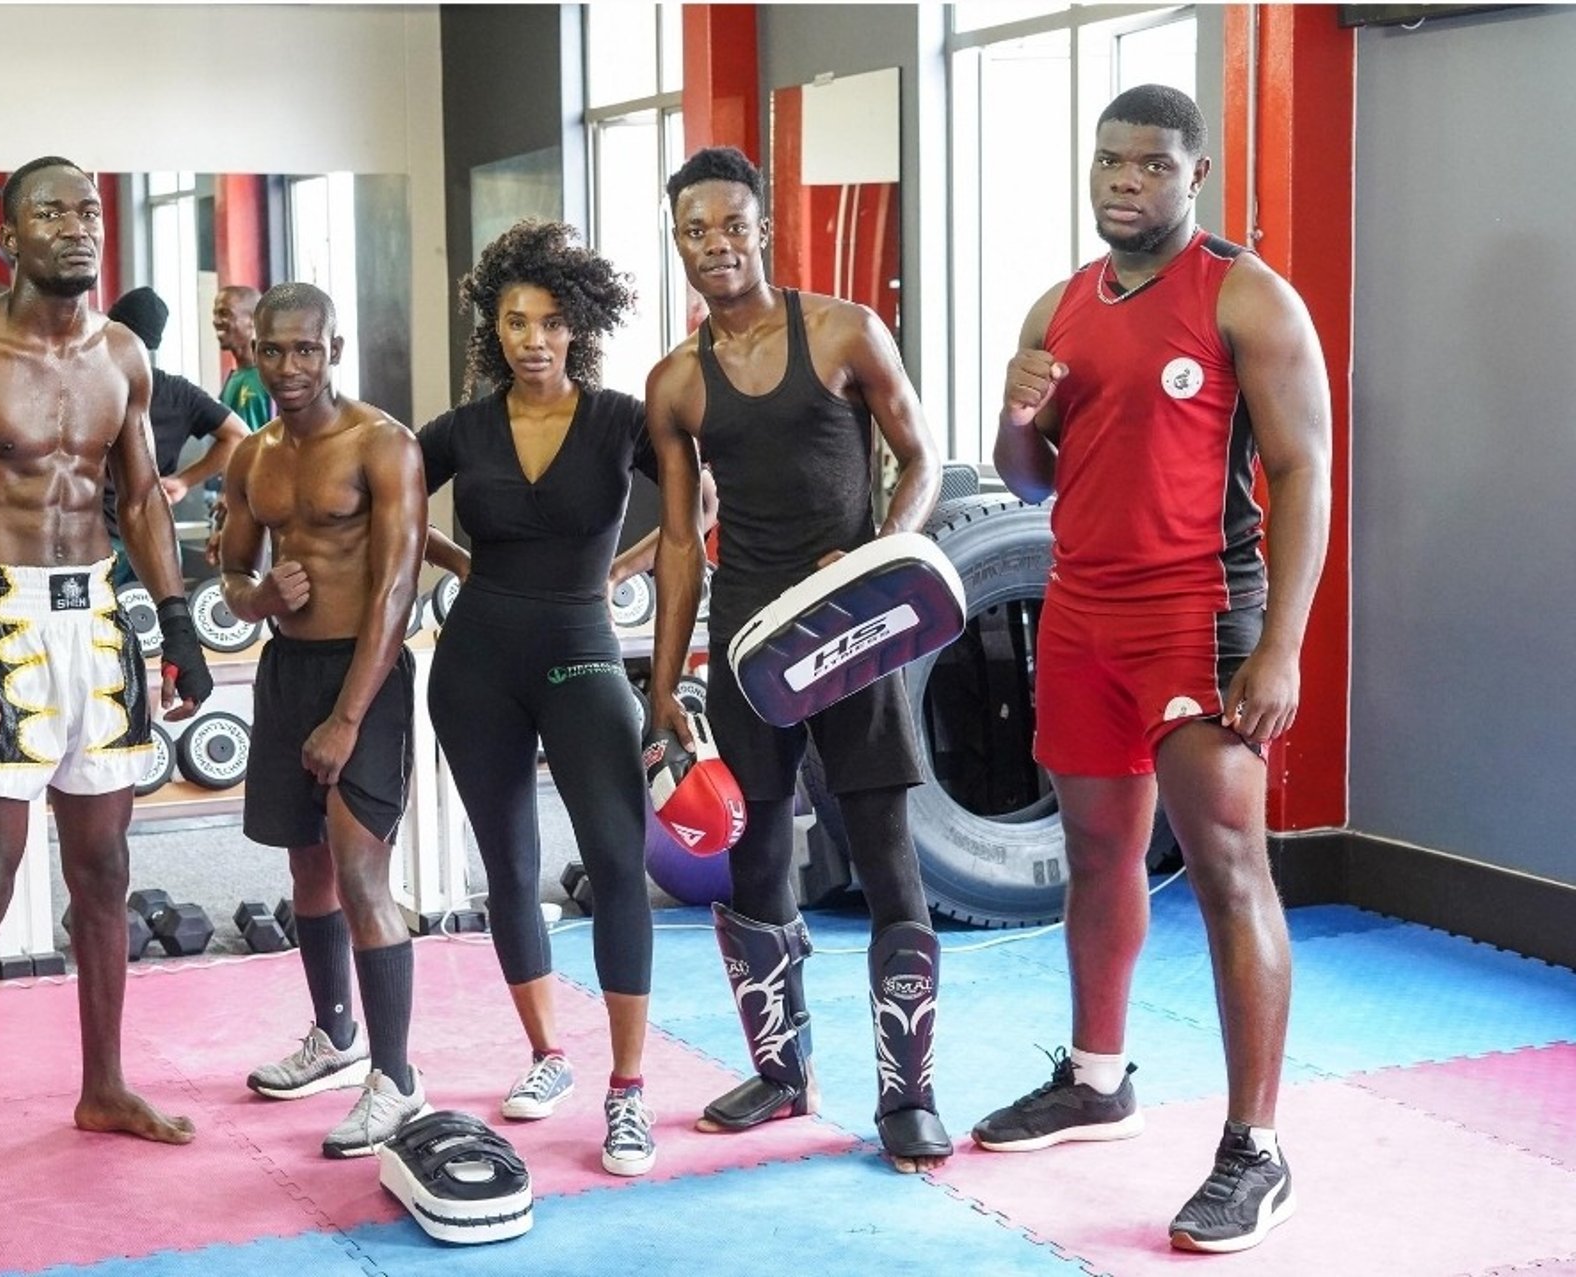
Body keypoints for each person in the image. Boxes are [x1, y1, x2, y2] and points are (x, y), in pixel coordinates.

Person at [976, 85, 1331, 1255]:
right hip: (1080, 608)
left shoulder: (1244, 296)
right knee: (1095, 850)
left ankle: (1255, 1147)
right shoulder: (1060, 304)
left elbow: (1306, 471)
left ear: (1197, 174)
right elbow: (1027, 478)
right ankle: (1096, 1077)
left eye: (1151, 165)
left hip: (1199, 610)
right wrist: (1019, 410)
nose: (1125, 181)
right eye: (1109, 163)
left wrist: (1278, 641)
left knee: (1231, 867)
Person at [0, 155, 215, 1198]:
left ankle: (106, 1083)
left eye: (87, 211)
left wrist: (176, 617)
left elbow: (146, 494)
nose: (76, 227)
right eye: (50, 212)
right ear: (10, 233)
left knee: (106, 870)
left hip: (101, 617)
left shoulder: (123, 354)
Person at [643, 145, 950, 1175]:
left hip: (851, 627)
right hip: (746, 639)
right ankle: (783, 1072)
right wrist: (662, 684)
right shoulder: (677, 382)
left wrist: (881, 556)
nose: (716, 246)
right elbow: (682, 540)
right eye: (696, 230)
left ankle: (909, 1092)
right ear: (678, 240)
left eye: (733, 224)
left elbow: (921, 460)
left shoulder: (844, 331)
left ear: (764, 226)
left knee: (885, 847)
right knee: (758, 854)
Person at [415, 220, 712, 1177]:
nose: (532, 338)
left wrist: (619, 571)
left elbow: (693, 516)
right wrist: (459, 562)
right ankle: (548, 1056)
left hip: (585, 651)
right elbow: (382, 501)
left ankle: (628, 1089)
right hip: (476, 661)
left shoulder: (624, 419)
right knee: (507, 865)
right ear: (491, 330)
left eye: (549, 321)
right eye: (513, 321)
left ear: (579, 325)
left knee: (619, 861)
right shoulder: (461, 430)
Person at [219, 282, 430, 1158]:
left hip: (364, 674)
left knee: (358, 869)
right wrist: (261, 594)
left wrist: (348, 716)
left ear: (334, 349)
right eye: (275, 351)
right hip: (287, 672)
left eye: (308, 350)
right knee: (306, 865)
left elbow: (394, 588)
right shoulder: (253, 457)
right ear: (252, 353)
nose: (291, 367)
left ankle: (397, 1078)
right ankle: (335, 1036)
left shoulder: (384, 446)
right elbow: (230, 579)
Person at [102, 286, 246, 587]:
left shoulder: (82, 386)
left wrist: (183, 481)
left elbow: (239, 436)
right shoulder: (178, 393)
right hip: (146, 540)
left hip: (112, 544)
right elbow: (237, 436)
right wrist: (184, 481)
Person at [212, 285, 274, 432]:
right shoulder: (231, 379)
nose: (216, 321)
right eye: (215, 314)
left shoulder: (272, 379)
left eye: (224, 313)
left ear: (254, 320)